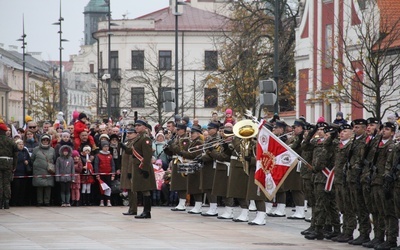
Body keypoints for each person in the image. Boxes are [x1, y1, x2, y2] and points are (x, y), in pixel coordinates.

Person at [132, 120, 157, 219]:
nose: (136, 127)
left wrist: (145, 169)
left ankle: (147, 212)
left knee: (145, 190)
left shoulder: (145, 138)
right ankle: (145, 211)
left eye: (139, 125)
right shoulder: (138, 137)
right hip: (139, 167)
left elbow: (147, 155)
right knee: (142, 189)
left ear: (144, 127)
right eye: (136, 126)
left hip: (143, 167)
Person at [31, 134, 56, 206]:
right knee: (39, 187)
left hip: (49, 171)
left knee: (48, 187)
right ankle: (39, 201)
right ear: (41, 140)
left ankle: (47, 201)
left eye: (47, 140)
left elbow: (54, 159)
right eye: (44, 140)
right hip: (38, 171)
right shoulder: (36, 149)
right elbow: (32, 159)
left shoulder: (52, 150)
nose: (45, 141)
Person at [120, 127, 138, 215]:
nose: (128, 135)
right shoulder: (129, 143)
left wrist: (130, 171)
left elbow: (132, 159)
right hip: (126, 169)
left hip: (130, 170)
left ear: (135, 134)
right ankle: (131, 208)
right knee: (129, 191)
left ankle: (133, 209)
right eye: (128, 133)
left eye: (130, 133)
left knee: (132, 191)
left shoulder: (134, 143)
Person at [0, 120, 18, 209]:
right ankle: (6, 202)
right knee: (7, 183)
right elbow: (15, 154)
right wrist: (14, 166)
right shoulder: (11, 141)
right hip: (8, 163)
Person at [94, 141, 115, 207]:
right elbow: (96, 165)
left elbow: (113, 165)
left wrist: (113, 174)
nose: (106, 148)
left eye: (107, 147)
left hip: (108, 174)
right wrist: (97, 174)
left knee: (108, 188)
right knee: (101, 188)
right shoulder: (98, 155)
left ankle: (108, 200)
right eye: (105, 147)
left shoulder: (110, 156)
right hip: (101, 174)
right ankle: (101, 200)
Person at [10, 139, 31, 207]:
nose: (21, 145)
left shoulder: (25, 151)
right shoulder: (14, 152)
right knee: (16, 189)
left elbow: (29, 159)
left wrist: (27, 161)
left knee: (23, 189)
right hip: (16, 173)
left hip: (24, 172)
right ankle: (14, 202)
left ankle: (21, 202)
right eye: (19, 144)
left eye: (22, 144)